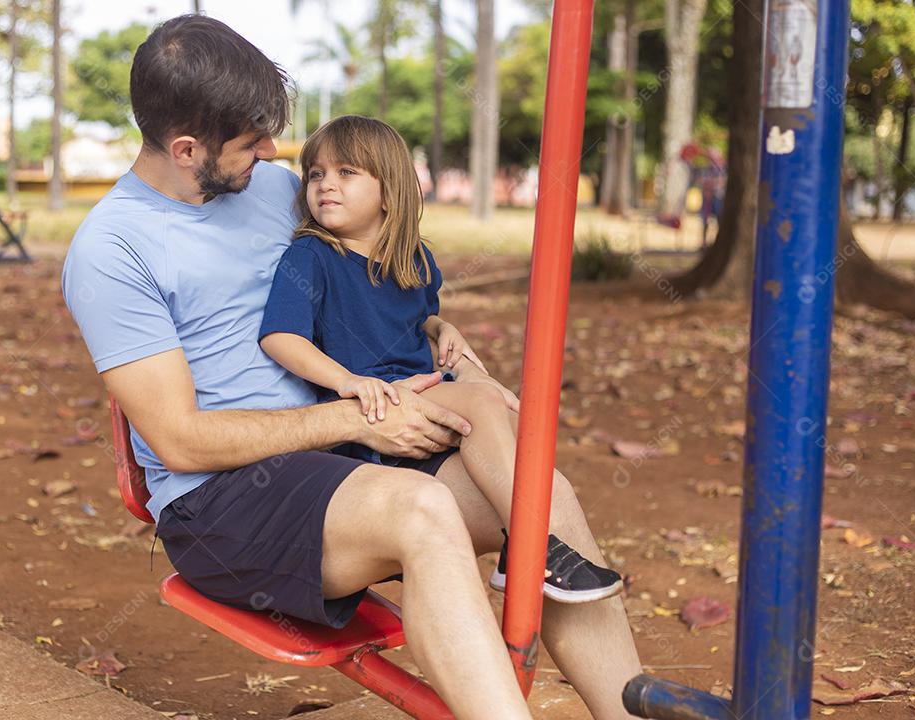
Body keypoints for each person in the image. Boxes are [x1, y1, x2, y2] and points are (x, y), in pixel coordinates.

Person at [61, 15, 642, 720]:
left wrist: (435, 327)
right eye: (251, 142)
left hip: (346, 454)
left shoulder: (275, 192)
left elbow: (376, 278)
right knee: (421, 510)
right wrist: (357, 411)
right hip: (220, 502)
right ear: (187, 149)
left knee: (542, 492)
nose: (276, 154)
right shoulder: (112, 251)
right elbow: (181, 440)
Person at [259, 115, 623, 604]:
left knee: (505, 410)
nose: (325, 184)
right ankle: (531, 549)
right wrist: (345, 380)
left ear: (389, 191)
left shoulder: (413, 258)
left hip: (423, 389)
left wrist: (440, 327)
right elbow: (281, 336)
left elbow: (416, 314)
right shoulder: (312, 256)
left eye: (347, 173)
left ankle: (512, 561)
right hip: (378, 409)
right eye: (316, 174)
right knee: (481, 399)